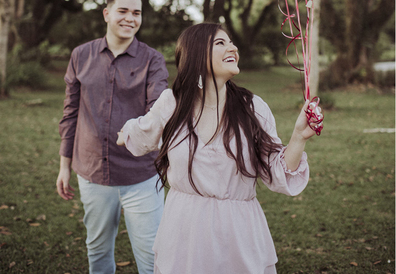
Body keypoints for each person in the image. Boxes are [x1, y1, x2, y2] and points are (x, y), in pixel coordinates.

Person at [118, 23, 315, 273]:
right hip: (185, 230)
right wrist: (123, 133)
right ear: (197, 55)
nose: (232, 47)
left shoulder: (253, 107)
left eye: (231, 42)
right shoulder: (172, 103)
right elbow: (142, 131)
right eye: (220, 43)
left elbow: (276, 173)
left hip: (238, 230)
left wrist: (299, 136)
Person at [56, 0, 169, 274]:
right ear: (107, 13)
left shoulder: (153, 60)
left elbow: (159, 108)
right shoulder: (80, 55)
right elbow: (70, 114)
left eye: (136, 13)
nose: (130, 18)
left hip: (141, 176)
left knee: (153, 257)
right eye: (123, 11)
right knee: (98, 251)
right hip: (93, 173)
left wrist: (139, 129)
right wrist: (64, 166)